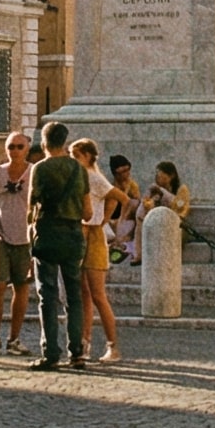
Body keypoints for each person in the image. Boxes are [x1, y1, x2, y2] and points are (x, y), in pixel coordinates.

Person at [29, 121, 91, 371]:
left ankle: (51, 353)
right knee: (74, 296)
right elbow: (87, 211)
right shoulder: (79, 169)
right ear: (65, 142)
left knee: (48, 295)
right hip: (74, 234)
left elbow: (31, 206)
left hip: (47, 234)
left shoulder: (40, 169)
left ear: (44, 143)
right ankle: (77, 353)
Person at [0, 132, 35, 357]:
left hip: (26, 238)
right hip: (0, 236)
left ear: (27, 149)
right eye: (10, 147)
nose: (14, 151)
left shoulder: (34, 173)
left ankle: (14, 339)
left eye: (19, 146)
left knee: (21, 287)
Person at [74, 139, 122, 361]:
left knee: (97, 294)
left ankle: (113, 345)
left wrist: (103, 220)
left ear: (86, 156)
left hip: (93, 235)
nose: (73, 160)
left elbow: (121, 197)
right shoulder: (82, 176)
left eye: (76, 155)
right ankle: (85, 342)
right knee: (84, 294)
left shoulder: (93, 177)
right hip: (81, 233)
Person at [105, 156, 143, 263]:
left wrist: (127, 190)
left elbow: (132, 203)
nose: (126, 174)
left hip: (126, 218)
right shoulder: (110, 185)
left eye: (127, 170)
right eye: (122, 172)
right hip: (111, 216)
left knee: (134, 203)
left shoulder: (132, 185)